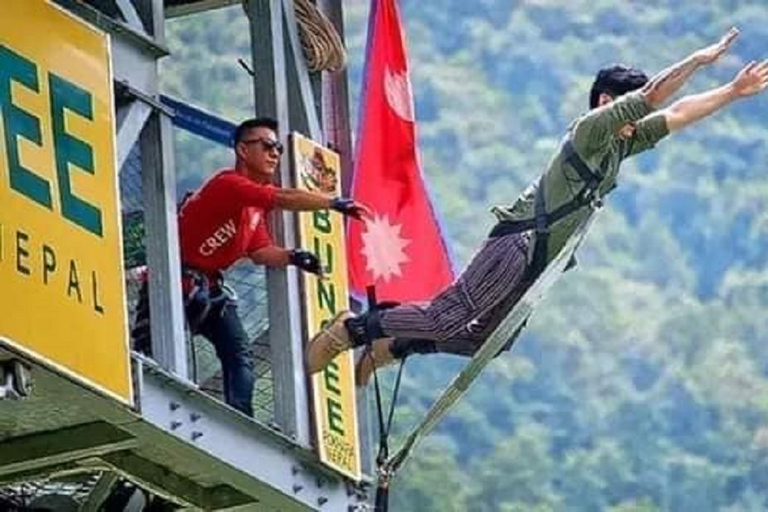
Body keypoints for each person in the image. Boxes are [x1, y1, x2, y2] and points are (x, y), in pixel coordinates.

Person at [307, 27, 768, 387]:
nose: (641, 122)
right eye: (633, 112)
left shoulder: (621, 148)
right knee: (448, 314)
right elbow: (654, 99)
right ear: (609, 103)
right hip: (521, 242)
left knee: (488, 340)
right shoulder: (591, 131)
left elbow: (679, 112)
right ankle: (350, 331)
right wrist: (699, 59)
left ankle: (389, 347)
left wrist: (730, 91)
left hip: (539, 264)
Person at [132, 117, 370, 417]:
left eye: (279, 149)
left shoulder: (254, 209)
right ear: (243, 151)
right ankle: (150, 400)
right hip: (172, 281)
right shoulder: (228, 185)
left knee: (239, 352)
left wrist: (294, 257)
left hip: (209, 287)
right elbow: (281, 198)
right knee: (153, 351)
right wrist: (333, 203)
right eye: (267, 146)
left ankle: (240, 417)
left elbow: (259, 251)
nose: (274, 154)